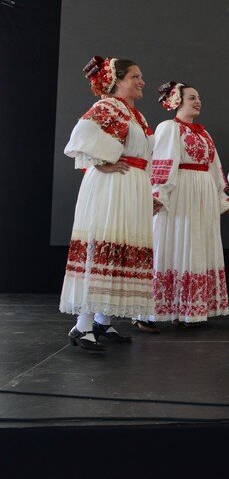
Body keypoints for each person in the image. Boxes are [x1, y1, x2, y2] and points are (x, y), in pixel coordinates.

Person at [60, 56, 155, 351]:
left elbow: (144, 155)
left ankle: (102, 320)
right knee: (105, 244)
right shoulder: (108, 107)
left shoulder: (136, 115)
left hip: (132, 185)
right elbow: (81, 135)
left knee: (122, 248)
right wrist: (101, 162)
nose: (141, 82)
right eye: (135, 77)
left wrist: (150, 192)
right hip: (112, 186)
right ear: (117, 80)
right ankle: (82, 326)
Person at [133, 82, 229, 330]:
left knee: (196, 244)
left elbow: (214, 168)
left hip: (202, 195)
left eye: (199, 98)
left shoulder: (203, 133)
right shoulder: (170, 128)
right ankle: (150, 312)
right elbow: (162, 162)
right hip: (181, 193)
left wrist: (224, 199)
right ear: (177, 101)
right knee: (174, 242)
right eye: (191, 97)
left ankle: (187, 310)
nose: (197, 101)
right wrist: (157, 194)